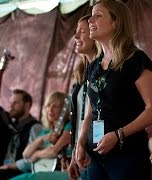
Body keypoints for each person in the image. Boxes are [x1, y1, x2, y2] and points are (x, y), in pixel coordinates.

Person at [74, 1, 152, 180]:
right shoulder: (94, 66)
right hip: (95, 157)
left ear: (116, 22)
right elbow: (90, 111)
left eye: (98, 15)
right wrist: (81, 142)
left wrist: (118, 135)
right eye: (91, 15)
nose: (90, 20)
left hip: (127, 156)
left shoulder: (136, 60)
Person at [0, 89, 43, 180]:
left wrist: (10, 166)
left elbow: (33, 158)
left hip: (18, 170)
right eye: (10, 103)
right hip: (2, 165)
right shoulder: (8, 123)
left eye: (15, 103)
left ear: (27, 106)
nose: (10, 106)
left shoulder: (35, 127)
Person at [10, 91, 71, 180]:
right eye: (48, 106)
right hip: (43, 171)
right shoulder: (46, 132)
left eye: (55, 106)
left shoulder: (68, 126)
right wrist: (41, 139)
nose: (50, 109)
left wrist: (37, 154)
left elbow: (53, 151)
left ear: (63, 110)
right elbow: (26, 154)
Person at [67, 14, 100, 180]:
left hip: (96, 150)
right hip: (82, 152)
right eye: (76, 31)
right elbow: (79, 120)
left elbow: (97, 115)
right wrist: (75, 153)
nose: (76, 36)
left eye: (82, 31)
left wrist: (92, 147)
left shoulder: (105, 71)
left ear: (95, 34)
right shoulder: (81, 74)